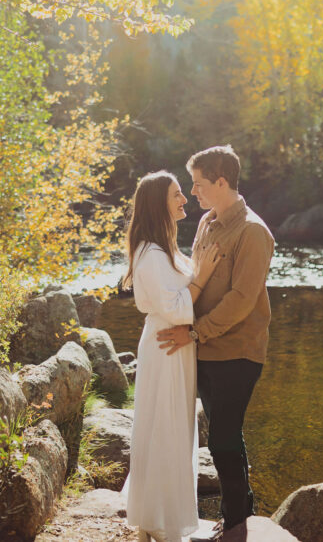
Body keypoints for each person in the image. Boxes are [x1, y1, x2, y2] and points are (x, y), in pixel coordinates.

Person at [157, 146, 275, 537]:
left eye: (199, 184)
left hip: (238, 352)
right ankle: (242, 509)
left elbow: (241, 300)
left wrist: (193, 332)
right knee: (222, 434)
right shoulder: (209, 221)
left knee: (223, 435)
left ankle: (237, 522)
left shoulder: (253, 232)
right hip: (204, 348)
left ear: (222, 183)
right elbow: (198, 279)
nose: (193, 192)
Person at [122, 171, 222, 542]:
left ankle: (159, 518)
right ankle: (160, 524)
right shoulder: (150, 254)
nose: (184, 199)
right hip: (166, 348)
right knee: (164, 429)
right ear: (157, 204)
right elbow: (178, 308)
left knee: (174, 430)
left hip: (175, 349)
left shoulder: (166, 250)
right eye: (177, 194)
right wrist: (204, 274)